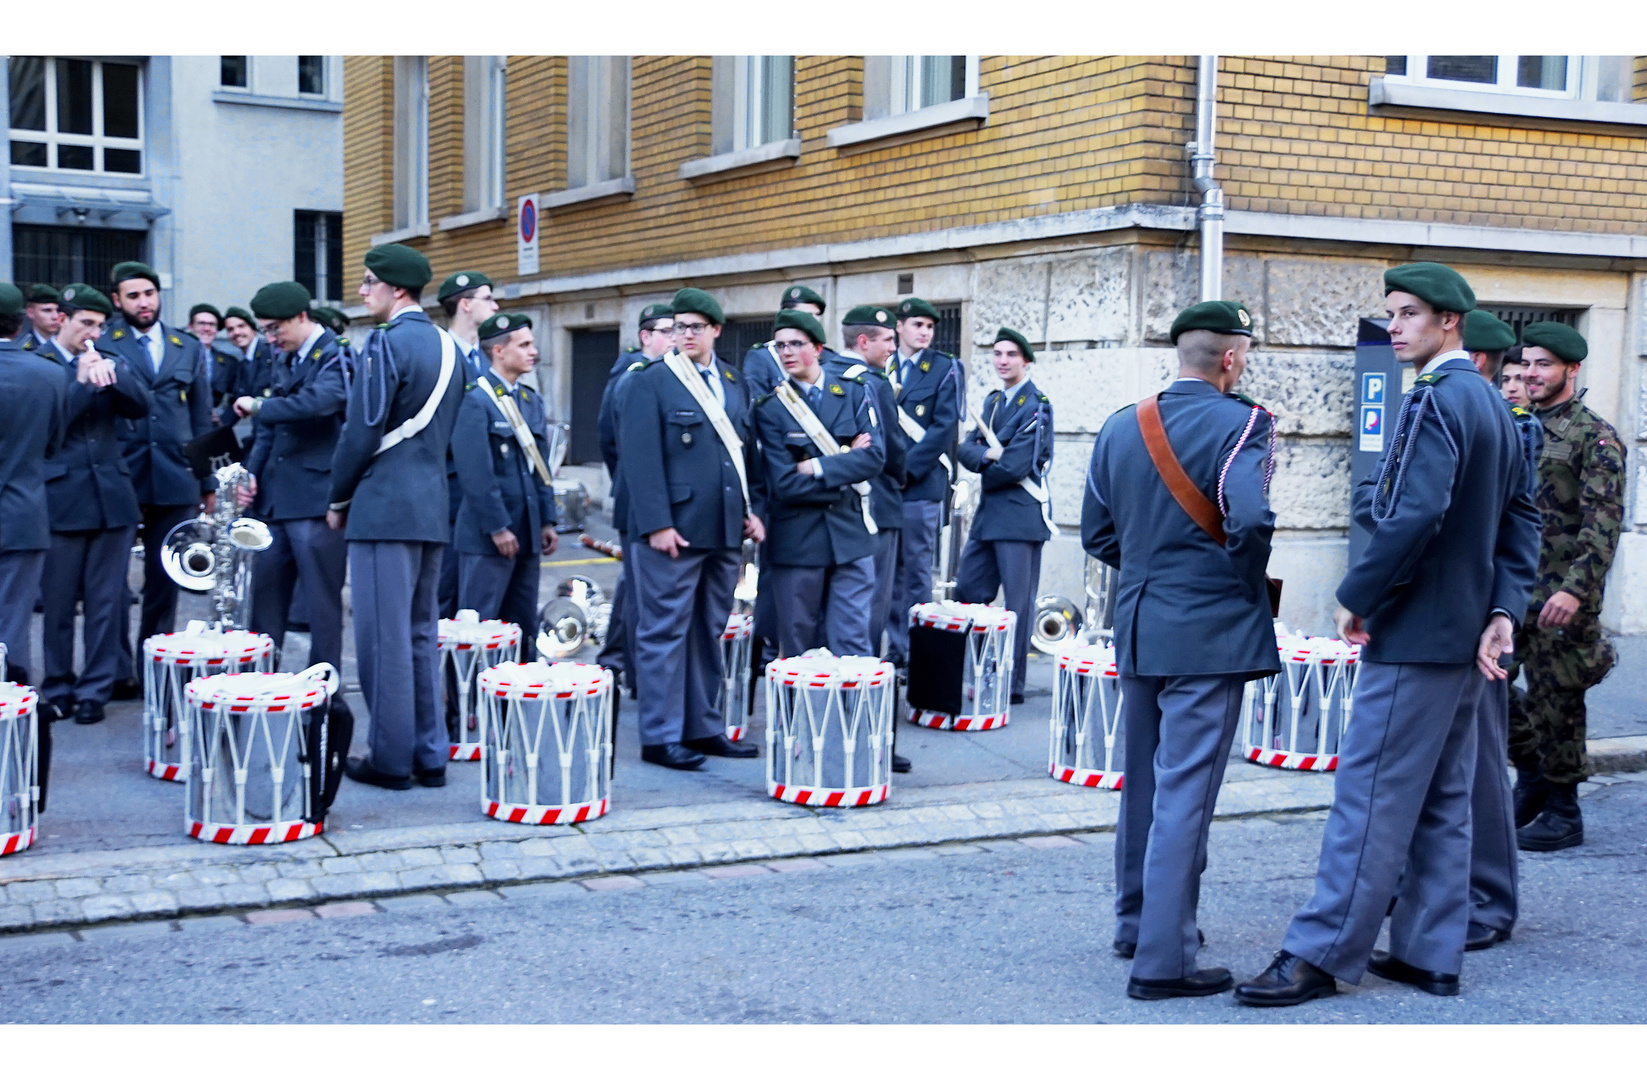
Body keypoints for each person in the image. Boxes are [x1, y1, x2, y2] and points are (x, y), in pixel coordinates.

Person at [1235, 263, 1540, 1007]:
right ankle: (1429, 952)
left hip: (1416, 633)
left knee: (1367, 799)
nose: (1394, 326)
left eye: (1408, 314)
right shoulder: (1494, 406)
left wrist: (1356, 595)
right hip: (1465, 635)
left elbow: (1413, 515)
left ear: (1448, 324)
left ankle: (1317, 953)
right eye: (1391, 314)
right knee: (1441, 798)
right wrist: (1500, 614)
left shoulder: (1436, 401)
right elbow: (1520, 521)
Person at [1083, 299, 1278, 1001]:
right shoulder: (1244, 422)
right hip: (1209, 632)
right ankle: (1163, 960)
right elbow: (1249, 517)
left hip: (1138, 625)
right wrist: (1237, 579)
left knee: (1144, 788)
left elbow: (1096, 535)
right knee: (1185, 797)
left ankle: (1136, 923)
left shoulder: (1118, 425)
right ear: (1230, 358)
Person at [330, 244, 466, 791]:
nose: (363, 293)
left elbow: (361, 430)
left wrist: (338, 498)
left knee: (382, 641)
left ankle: (390, 759)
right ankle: (429, 753)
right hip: (430, 505)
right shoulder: (452, 347)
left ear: (397, 290)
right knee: (418, 635)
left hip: (383, 507)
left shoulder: (386, 344)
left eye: (369, 283)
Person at [618, 288, 764, 770]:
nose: (685, 335)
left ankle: (704, 726)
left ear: (716, 331)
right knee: (663, 632)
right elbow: (639, 459)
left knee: (709, 630)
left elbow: (742, 455)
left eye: (695, 327)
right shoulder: (652, 381)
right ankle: (659, 737)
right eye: (678, 327)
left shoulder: (733, 381)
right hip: (673, 530)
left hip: (722, 528)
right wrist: (657, 523)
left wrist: (750, 509)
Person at [1509, 321, 1626, 853]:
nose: (1531, 373)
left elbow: (1603, 522)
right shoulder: (1519, 426)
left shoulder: (1592, 437)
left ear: (1570, 370)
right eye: (1527, 363)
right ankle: (1530, 773)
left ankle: (1563, 810)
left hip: (1561, 595)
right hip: (1512, 589)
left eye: (1543, 365)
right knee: (1488, 687)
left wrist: (1575, 592)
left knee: (1558, 702)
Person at [1452, 309, 1541, 952]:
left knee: (1483, 764)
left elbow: (1517, 529)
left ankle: (1489, 897)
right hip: (1432, 620)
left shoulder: (1510, 428)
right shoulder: (1437, 408)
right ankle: (1426, 882)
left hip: (1480, 620)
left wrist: (1503, 613)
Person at [36, 285, 151, 725]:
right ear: (59, 320)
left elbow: (142, 407)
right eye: (85, 323)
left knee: (108, 602)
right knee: (59, 602)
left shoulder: (110, 358)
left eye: (101, 325)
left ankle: (94, 691)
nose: (93, 333)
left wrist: (114, 375)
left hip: (110, 499)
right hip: (61, 498)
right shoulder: (41, 364)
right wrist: (81, 383)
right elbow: (50, 425)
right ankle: (59, 685)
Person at [104, 261, 215, 699]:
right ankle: (115, 670)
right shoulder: (103, 342)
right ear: (118, 301)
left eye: (148, 294)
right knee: (110, 581)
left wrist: (206, 482)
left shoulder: (185, 345)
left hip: (174, 477)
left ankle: (153, 664)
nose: (143, 303)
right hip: (119, 475)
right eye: (133, 296)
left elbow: (200, 417)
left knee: (163, 579)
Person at [751, 308, 883, 657]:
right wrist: (844, 466)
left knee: (853, 643)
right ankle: (796, 715)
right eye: (780, 346)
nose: (787, 353)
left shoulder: (853, 393)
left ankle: (852, 713)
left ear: (819, 348)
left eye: (797, 344)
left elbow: (874, 458)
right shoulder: (770, 409)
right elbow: (783, 483)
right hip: (797, 541)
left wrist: (816, 466)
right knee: (798, 646)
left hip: (849, 537)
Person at [236, 281, 348, 672]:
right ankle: (259, 680)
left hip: (316, 499)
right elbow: (268, 430)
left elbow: (318, 404)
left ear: (302, 317)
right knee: (265, 600)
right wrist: (251, 475)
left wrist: (260, 405)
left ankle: (323, 688)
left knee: (320, 605)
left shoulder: (336, 355)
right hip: (275, 499)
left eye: (275, 328)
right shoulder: (284, 355)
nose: (270, 338)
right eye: (265, 329)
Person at [829, 304, 911, 773]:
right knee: (870, 619)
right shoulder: (871, 383)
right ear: (864, 342)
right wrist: (902, 477)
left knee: (843, 619)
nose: (892, 348)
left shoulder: (829, 375)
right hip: (876, 507)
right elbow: (892, 449)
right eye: (887, 340)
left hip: (840, 513)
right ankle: (869, 728)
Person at [954, 327, 1053, 705]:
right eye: (997, 354)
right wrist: (986, 455)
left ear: (1026, 361)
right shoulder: (993, 402)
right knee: (968, 590)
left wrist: (987, 459)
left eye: (1011, 354)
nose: (1002, 360)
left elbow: (1016, 466)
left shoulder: (1037, 404)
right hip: (989, 515)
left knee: (1017, 606)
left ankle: (1012, 681)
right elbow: (964, 449)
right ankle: (975, 667)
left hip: (1020, 516)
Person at [452, 312, 559, 659]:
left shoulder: (530, 401)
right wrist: (497, 526)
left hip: (526, 531)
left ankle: (511, 705)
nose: (533, 352)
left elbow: (539, 468)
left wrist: (546, 520)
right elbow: (475, 472)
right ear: (498, 350)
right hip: (488, 538)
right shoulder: (476, 399)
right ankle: (470, 709)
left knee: (521, 626)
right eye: (524, 344)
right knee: (481, 629)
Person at [595, 303, 674, 687]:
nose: (676, 338)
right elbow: (610, 440)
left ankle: (620, 658)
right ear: (646, 336)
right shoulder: (631, 377)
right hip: (637, 498)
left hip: (647, 497)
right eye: (667, 331)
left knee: (635, 587)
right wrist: (629, 482)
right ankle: (633, 669)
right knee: (641, 591)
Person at [884, 296, 963, 669]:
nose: (924, 333)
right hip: (884, 486)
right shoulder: (884, 366)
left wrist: (904, 471)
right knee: (887, 576)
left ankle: (916, 657)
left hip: (921, 484)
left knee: (916, 575)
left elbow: (943, 429)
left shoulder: (945, 368)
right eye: (917, 325)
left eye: (930, 327)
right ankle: (896, 650)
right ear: (899, 327)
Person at [0, 283, 67, 688]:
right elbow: (53, 444)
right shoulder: (48, 372)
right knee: (14, 622)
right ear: (22, 319)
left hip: (23, 509)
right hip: (23, 512)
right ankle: (14, 725)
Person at [435, 271, 500, 619]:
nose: (495, 305)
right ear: (465, 304)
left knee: (479, 599)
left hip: (487, 493)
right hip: (451, 490)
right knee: (445, 593)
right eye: (487, 298)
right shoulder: (438, 354)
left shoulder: (492, 357)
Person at [742, 284, 834, 398]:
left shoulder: (829, 356)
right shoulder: (763, 357)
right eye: (807, 316)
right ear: (786, 314)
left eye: (816, 316)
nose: (813, 322)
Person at [186, 302, 241, 421]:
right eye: (201, 323)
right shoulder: (175, 356)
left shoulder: (228, 363)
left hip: (211, 429)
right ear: (190, 326)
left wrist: (224, 420)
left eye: (212, 325)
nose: (207, 329)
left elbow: (238, 396)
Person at [20, 284, 62, 348]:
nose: (55, 317)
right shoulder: (22, 347)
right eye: (47, 310)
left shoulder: (68, 343)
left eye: (58, 310)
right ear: (30, 313)